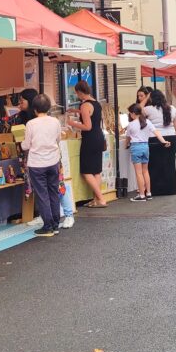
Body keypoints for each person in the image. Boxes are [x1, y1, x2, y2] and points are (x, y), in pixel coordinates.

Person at [22, 93, 62, 237]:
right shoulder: (55, 121)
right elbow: (58, 139)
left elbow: (26, 145)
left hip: (37, 164)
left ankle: (47, 225)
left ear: (34, 109)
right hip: (53, 161)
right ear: (49, 107)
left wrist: (20, 143)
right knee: (53, 191)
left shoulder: (31, 124)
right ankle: (55, 223)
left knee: (42, 194)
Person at [68, 79, 108, 207]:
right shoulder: (96, 103)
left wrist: (71, 123)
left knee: (86, 171)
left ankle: (101, 199)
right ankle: (96, 199)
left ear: (80, 92)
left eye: (76, 93)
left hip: (90, 139)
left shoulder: (84, 105)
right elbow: (92, 115)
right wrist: (76, 112)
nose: (77, 96)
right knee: (96, 171)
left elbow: (87, 126)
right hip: (99, 137)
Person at [125, 103, 170, 201]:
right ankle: (148, 193)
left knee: (138, 173)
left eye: (130, 113)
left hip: (136, 147)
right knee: (145, 171)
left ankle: (141, 195)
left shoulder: (131, 125)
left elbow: (127, 138)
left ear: (133, 113)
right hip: (145, 147)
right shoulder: (147, 122)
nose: (130, 115)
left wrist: (126, 145)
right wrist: (163, 141)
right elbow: (156, 132)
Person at [144, 89, 176, 196]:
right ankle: (170, 189)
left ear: (151, 99)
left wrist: (145, 99)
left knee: (154, 164)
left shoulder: (148, 109)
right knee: (169, 164)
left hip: (154, 138)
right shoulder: (172, 109)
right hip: (171, 137)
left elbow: (137, 111)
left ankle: (156, 189)